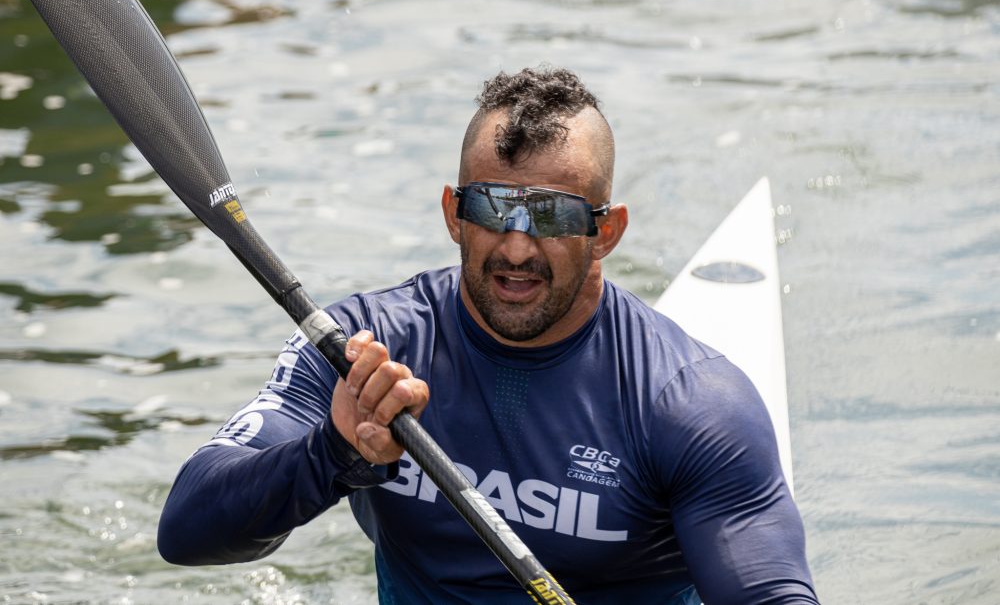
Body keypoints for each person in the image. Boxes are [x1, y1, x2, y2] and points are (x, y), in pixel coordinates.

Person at [158, 67, 819, 604]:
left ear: (607, 232)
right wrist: (332, 453)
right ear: (453, 214)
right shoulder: (366, 351)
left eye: (552, 216)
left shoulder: (690, 405)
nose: (516, 246)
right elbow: (186, 531)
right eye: (491, 208)